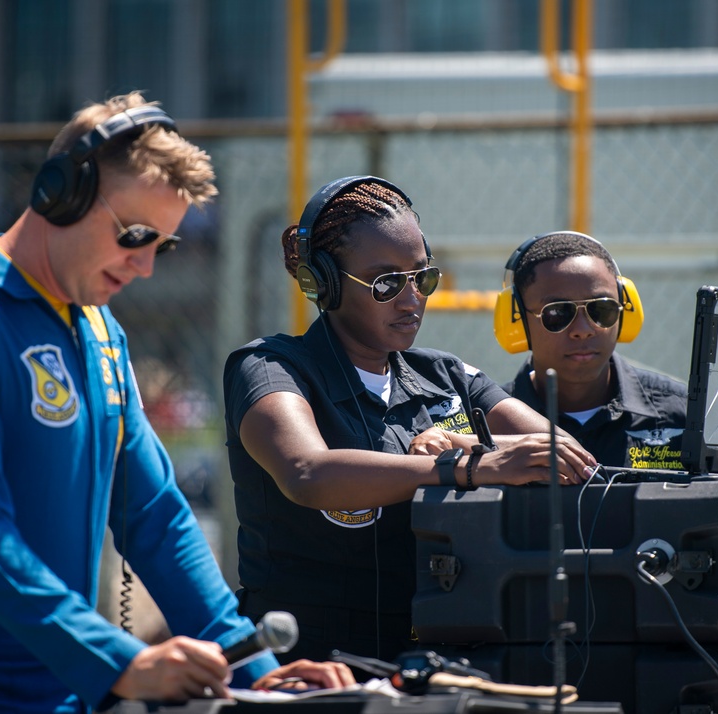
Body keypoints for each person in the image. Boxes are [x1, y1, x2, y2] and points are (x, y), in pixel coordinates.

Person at [0, 92, 352, 714]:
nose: (146, 265)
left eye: (165, 245)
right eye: (135, 234)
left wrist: (250, 667)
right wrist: (120, 661)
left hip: (68, 696)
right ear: (58, 194)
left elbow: (155, 515)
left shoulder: (98, 329)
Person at [222, 176, 598, 669]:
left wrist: (460, 442)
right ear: (325, 283)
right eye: (386, 283)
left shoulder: (444, 373)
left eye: (422, 278)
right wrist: (461, 468)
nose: (411, 299)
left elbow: (558, 449)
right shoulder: (271, 368)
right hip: (306, 663)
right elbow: (307, 473)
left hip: (433, 654)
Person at [494, 230, 687, 469]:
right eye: (557, 313)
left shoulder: (687, 417)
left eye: (601, 309)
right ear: (518, 321)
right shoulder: (485, 426)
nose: (583, 330)